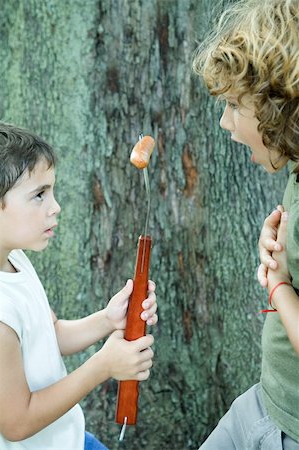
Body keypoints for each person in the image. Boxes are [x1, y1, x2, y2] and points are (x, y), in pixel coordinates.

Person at [0, 122, 158, 450]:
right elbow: (17, 422)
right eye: (39, 195)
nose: (55, 206)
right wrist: (103, 365)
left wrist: (108, 320)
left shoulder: (16, 261)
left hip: (69, 438)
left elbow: (51, 333)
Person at [192, 0, 299, 448]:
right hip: (266, 400)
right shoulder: (294, 165)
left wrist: (278, 288)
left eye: (235, 105)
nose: (225, 122)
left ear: (280, 102)